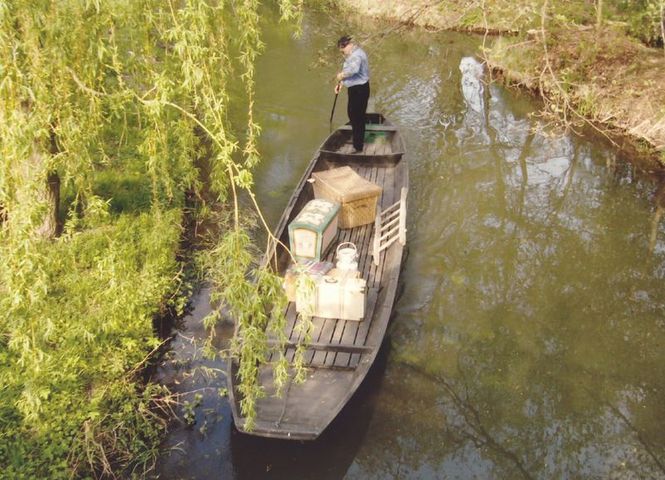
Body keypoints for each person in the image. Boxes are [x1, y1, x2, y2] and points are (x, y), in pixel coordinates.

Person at [335, 35, 370, 154]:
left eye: (342, 50)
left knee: (357, 117)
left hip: (360, 89)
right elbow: (349, 72)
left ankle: (358, 147)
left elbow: (353, 70)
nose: (342, 53)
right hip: (354, 87)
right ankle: (357, 137)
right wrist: (340, 84)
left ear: (347, 46)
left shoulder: (357, 55)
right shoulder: (351, 54)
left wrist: (341, 76)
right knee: (352, 114)